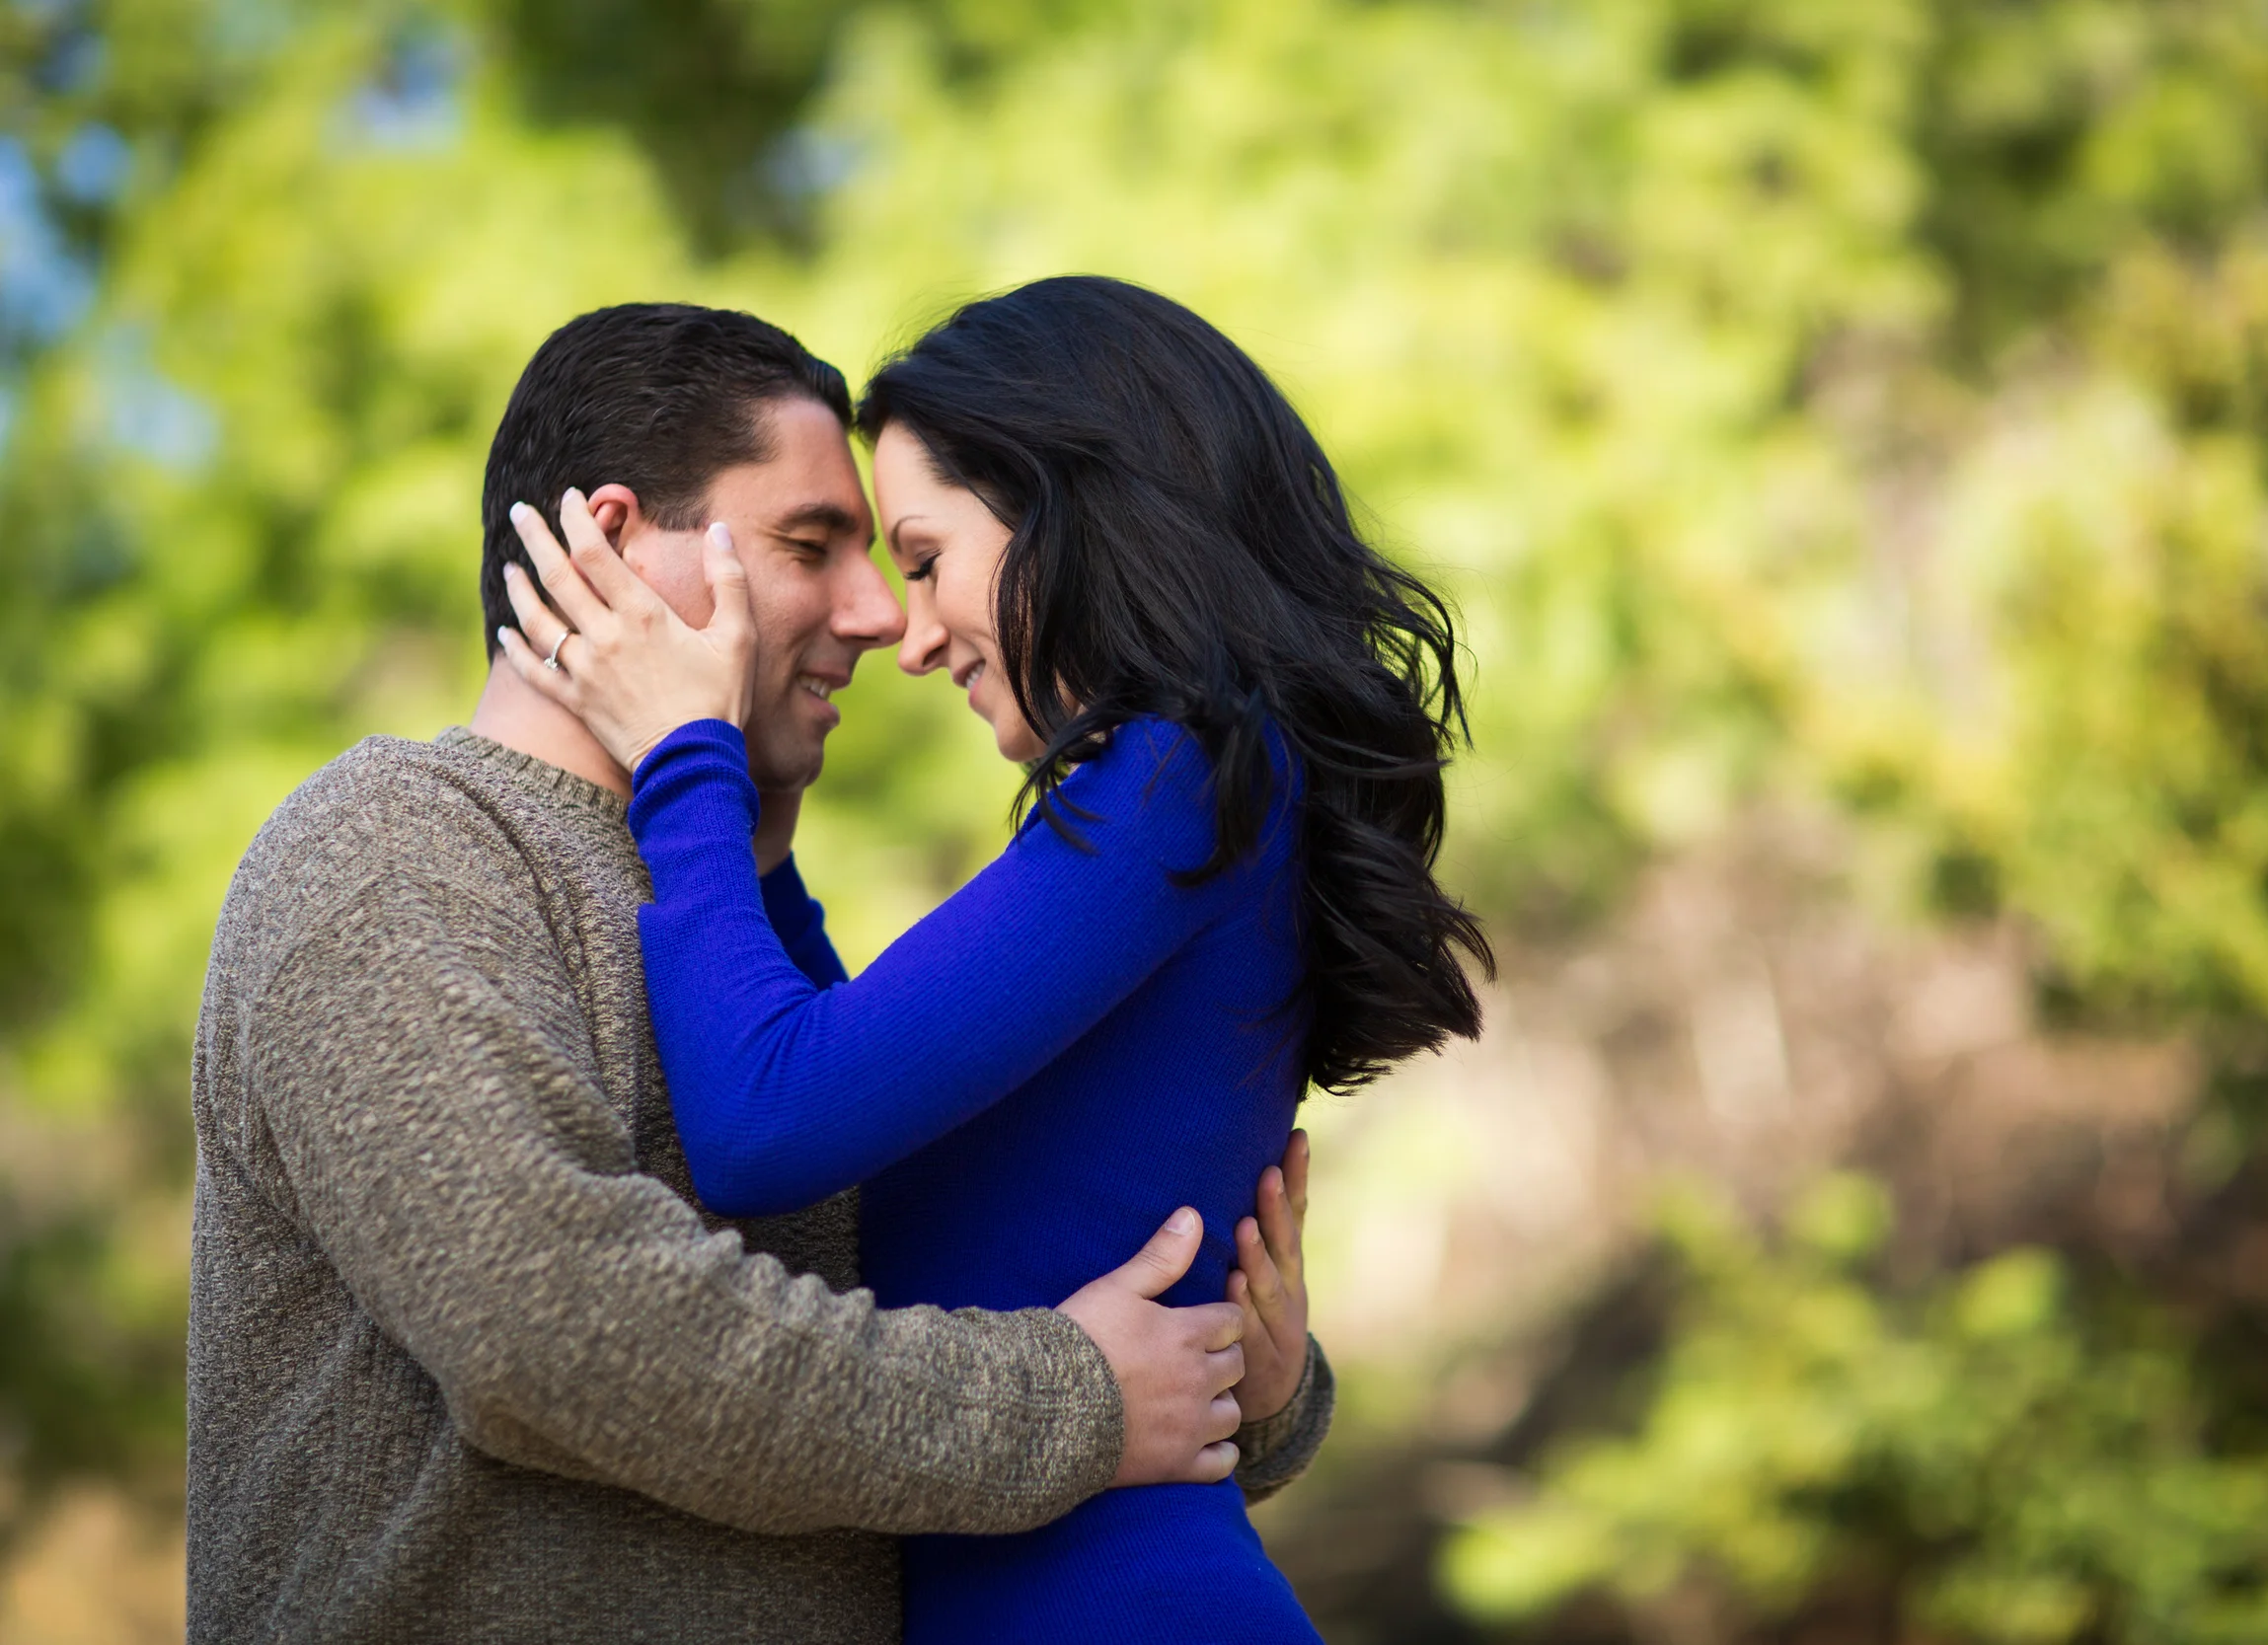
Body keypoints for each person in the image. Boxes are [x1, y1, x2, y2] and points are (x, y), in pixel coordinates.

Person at [187, 302, 1335, 1645]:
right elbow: (552, 1335)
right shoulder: (401, 848)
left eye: (896, 555)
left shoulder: (728, 915)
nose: (876, 617)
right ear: (613, 545)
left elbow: (929, 1267)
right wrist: (1070, 1402)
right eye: (811, 545)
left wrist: (1267, 1387)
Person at [497, 275, 1492, 1642]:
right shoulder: (1197, 790)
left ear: (1063, 509)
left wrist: (689, 765)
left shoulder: (1178, 777)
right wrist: (764, 837)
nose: (907, 632)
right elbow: (852, 1095)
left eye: (923, 556)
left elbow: (766, 1120)